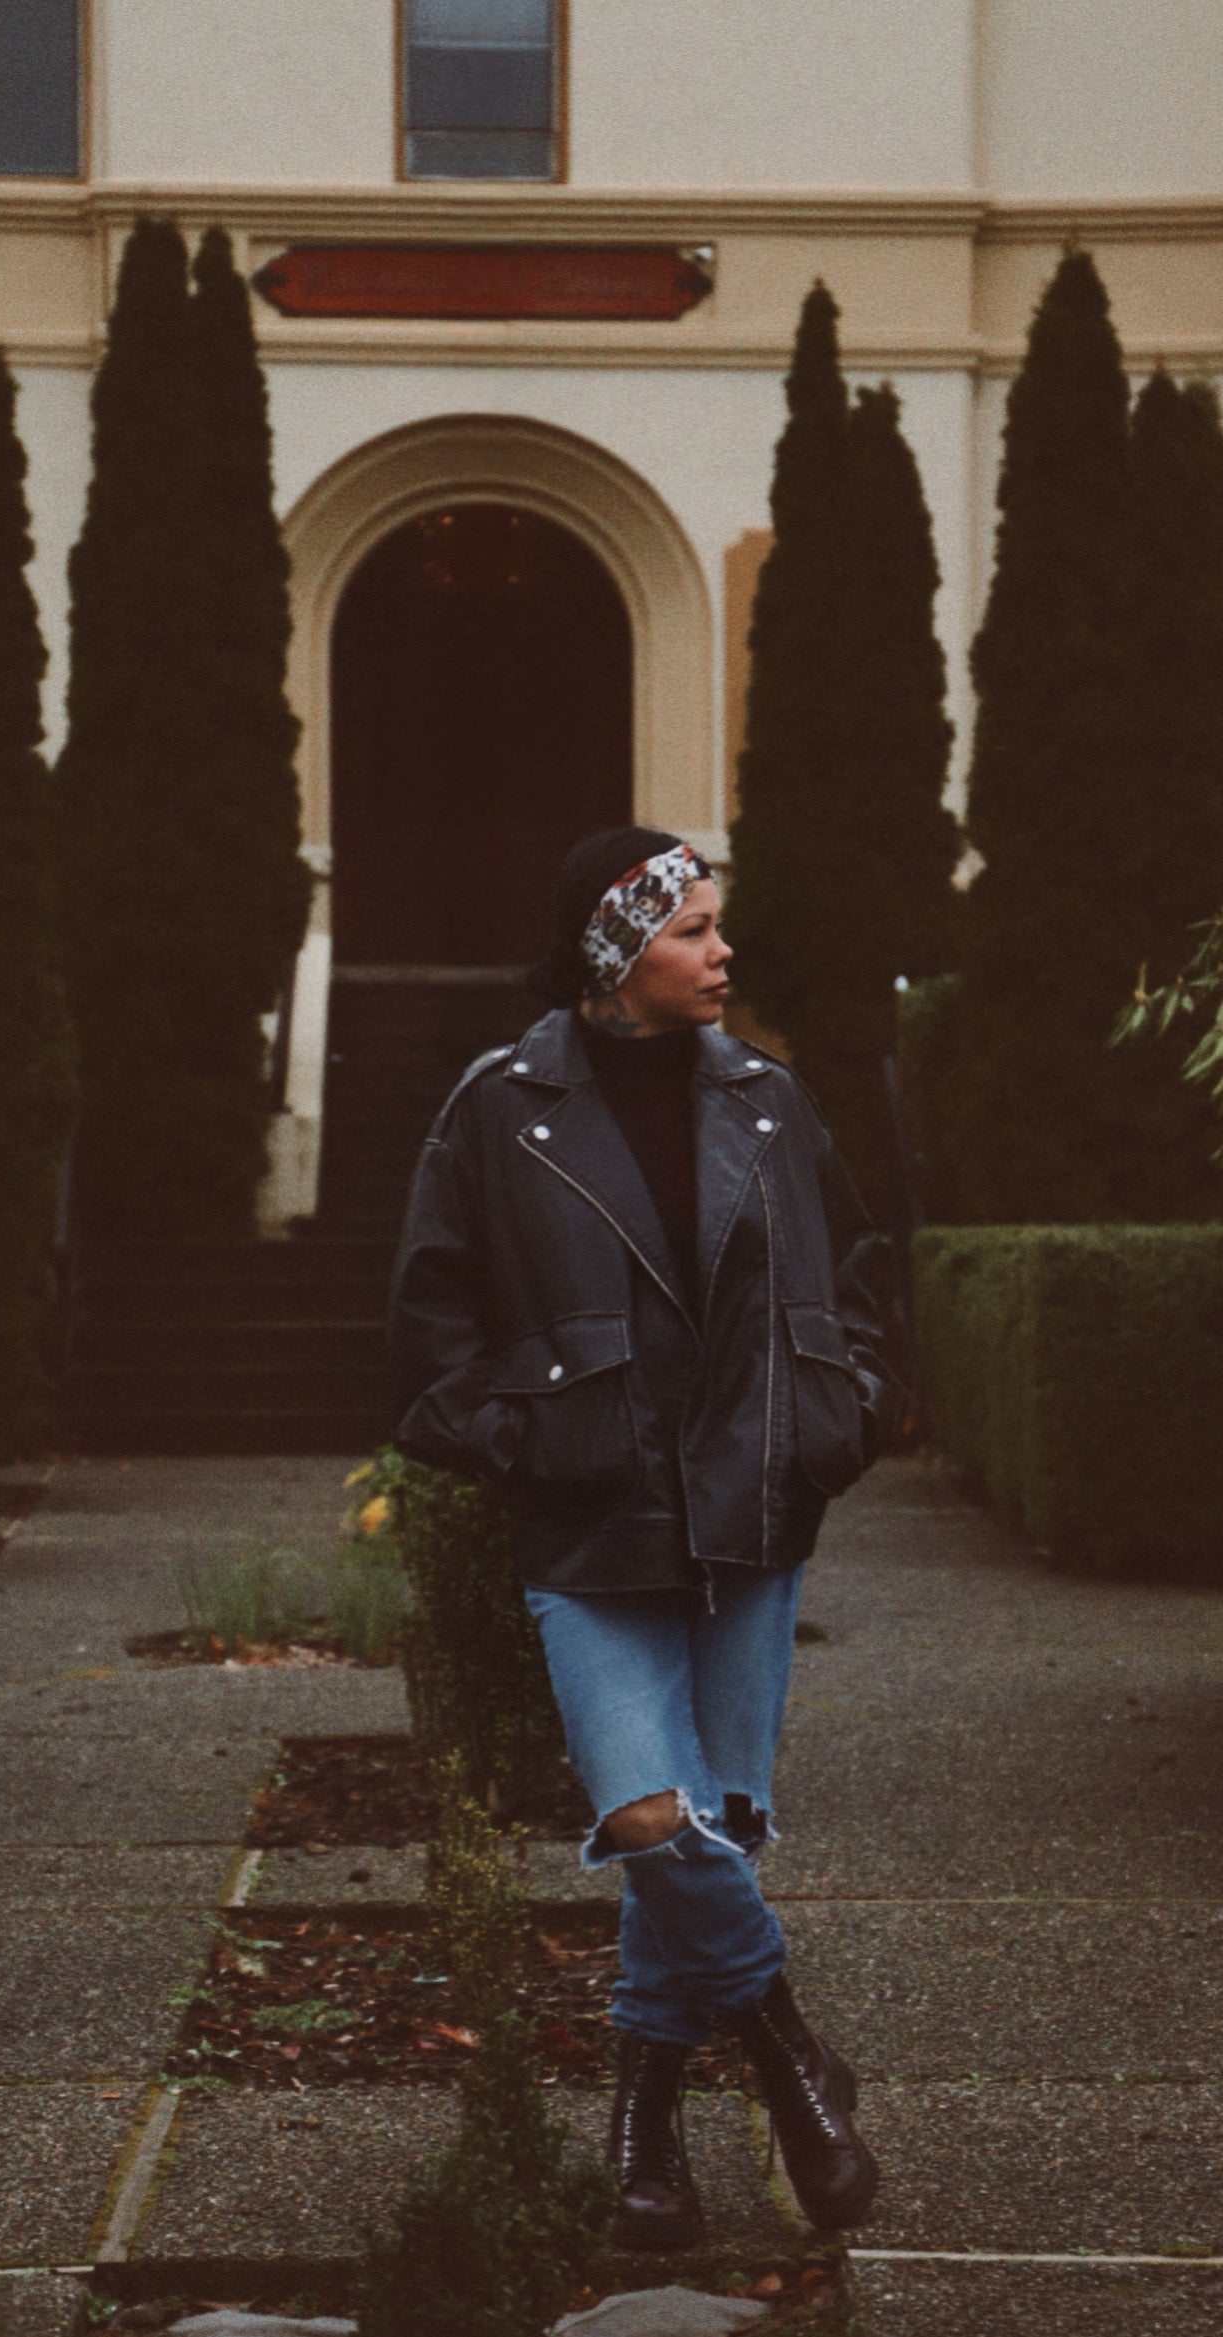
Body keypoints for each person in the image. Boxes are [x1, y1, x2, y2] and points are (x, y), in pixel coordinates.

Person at [389, 825, 899, 2248]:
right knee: (648, 1817)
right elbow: (430, 1328)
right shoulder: (502, 1107)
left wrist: (842, 1415)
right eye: (691, 930)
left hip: (751, 1514)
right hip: (590, 1524)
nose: (722, 951)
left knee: (709, 1825)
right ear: (615, 953)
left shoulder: (768, 1102)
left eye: (717, 926)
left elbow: (861, 1277)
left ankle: (645, 2129)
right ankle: (793, 2058)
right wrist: (525, 1442)